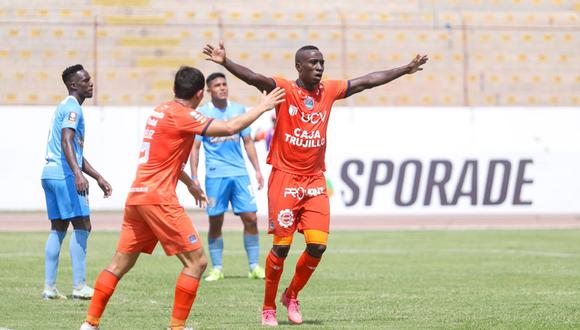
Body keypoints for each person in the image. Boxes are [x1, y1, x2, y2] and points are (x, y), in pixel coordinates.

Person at [203, 41, 428, 326]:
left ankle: (291, 295)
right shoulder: (284, 89)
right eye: (313, 63)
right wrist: (226, 62)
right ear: (299, 66)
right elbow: (254, 77)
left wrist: (405, 69)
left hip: (314, 180)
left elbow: (368, 81)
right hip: (284, 178)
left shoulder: (329, 90)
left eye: (321, 62)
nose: (319, 67)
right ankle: (268, 306)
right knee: (281, 248)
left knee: (318, 246)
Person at [80, 66, 285, 330]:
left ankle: (90, 323)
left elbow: (164, 157)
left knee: (120, 263)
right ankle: (177, 327)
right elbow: (230, 126)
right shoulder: (184, 116)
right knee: (197, 261)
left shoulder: (159, 111)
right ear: (201, 94)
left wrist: (188, 182)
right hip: (159, 199)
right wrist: (263, 106)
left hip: (137, 196)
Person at [41, 64, 112, 300]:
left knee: (58, 228)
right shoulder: (73, 109)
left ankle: (49, 288)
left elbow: (73, 149)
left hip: (50, 172)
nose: (90, 83)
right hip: (64, 175)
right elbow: (66, 141)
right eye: (85, 80)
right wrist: (78, 175)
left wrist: (97, 176)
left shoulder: (62, 107)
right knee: (83, 225)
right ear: (73, 85)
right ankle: (79, 286)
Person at [189, 72, 266, 282]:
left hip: (240, 174)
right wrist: (194, 177)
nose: (222, 88)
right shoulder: (202, 114)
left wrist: (257, 170)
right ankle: (218, 268)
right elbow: (194, 147)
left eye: (224, 84)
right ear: (209, 90)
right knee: (215, 221)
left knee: (251, 218)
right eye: (217, 85)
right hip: (215, 176)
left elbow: (248, 142)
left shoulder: (239, 110)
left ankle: (254, 267)